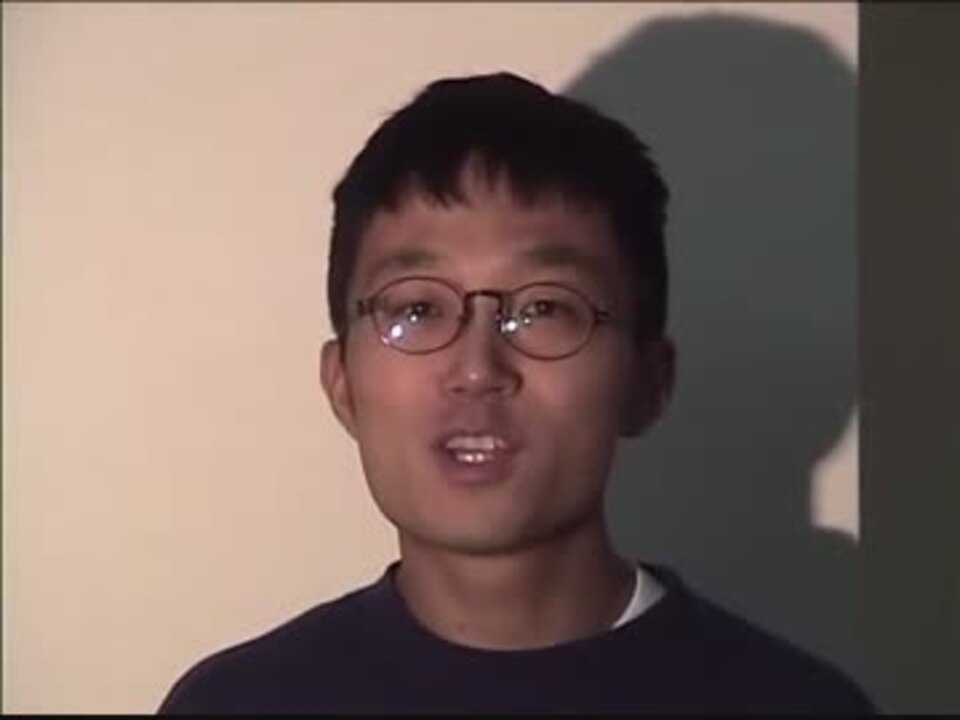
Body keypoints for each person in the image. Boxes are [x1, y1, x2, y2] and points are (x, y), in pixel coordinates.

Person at [158, 72, 872, 714]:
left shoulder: (796, 704)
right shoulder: (236, 704)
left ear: (648, 381)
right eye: (417, 309)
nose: (476, 368)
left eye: (544, 309)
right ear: (342, 382)